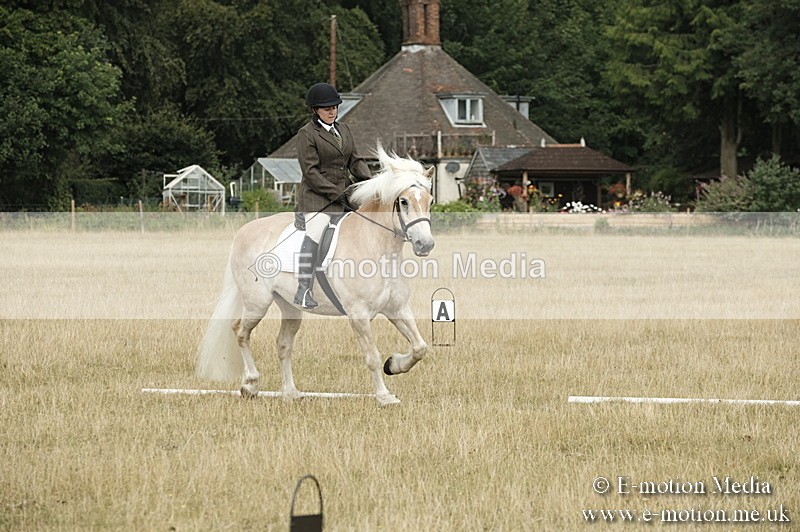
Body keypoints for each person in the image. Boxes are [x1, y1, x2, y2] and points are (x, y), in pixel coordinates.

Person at [294, 82, 372, 309]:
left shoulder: (344, 130)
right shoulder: (307, 134)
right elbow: (311, 173)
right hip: (317, 200)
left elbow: (355, 161)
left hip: (344, 197)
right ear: (315, 110)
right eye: (326, 108)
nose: (332, 111)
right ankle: (304, 289)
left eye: (335, 107)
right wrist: (338, 194)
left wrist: (369, 184)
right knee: (316, 232)